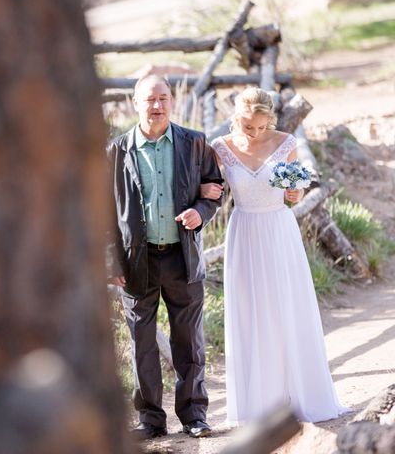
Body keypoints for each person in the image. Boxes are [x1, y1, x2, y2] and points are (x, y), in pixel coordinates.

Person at [202, 87, 349, 425]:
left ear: (271, 119)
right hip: (244, 231)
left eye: (261, 127)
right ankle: (260, 403)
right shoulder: (221, 148)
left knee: (286, 308)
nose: (255, 133)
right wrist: (206, 190)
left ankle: (295, 395)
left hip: (279, 232)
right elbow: (210, 188)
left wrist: (294, 193)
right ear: (237, 119)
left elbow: (292, 196)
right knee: (251, 309)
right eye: (248, 127)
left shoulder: (286, 144)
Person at [106, 74, 223, 440]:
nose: (157, 105)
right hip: (134, 262)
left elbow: (215, 190)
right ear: (135, 102)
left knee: (188, 340)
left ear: (172, 102)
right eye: (150, 99)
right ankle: (150, 422)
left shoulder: (194, 143)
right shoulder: (115, 151)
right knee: (142, 344)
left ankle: (194, 416)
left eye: (164, 98)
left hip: (182, 257)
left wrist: (201, 212)